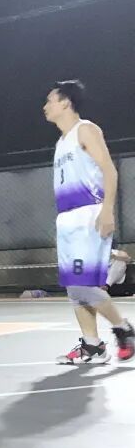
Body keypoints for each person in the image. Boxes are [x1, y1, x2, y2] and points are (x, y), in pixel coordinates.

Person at [43, 80, 134, 363]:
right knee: (74, 288)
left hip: (88, 214)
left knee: (84, 285)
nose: (45, 106)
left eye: (50, 100)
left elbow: (109, 170)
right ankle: (92, 345)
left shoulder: (86, 129)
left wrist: (107, 211)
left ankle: (123, 328)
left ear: (65, 102)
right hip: (67, 219)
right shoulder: (61, 142)